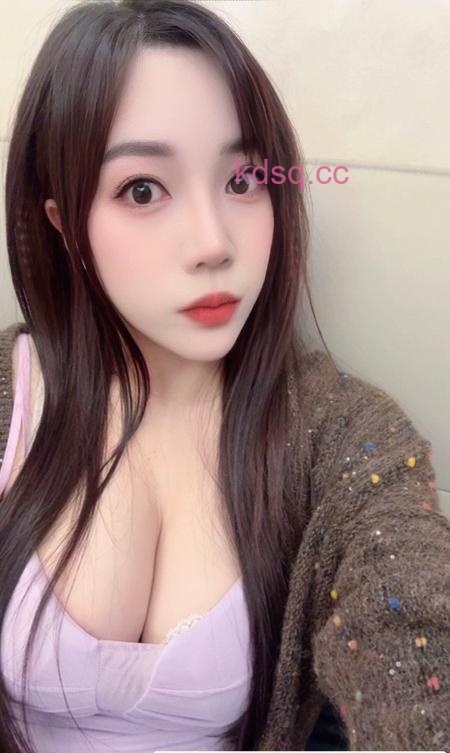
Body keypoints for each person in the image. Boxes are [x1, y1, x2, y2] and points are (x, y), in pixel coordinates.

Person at [0, 1, 448, 752]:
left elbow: (414, 632)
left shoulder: (346, 439)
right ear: (63, 224)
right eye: (143, 190)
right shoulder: (10, 396)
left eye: (244, 179)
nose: (214, 243)